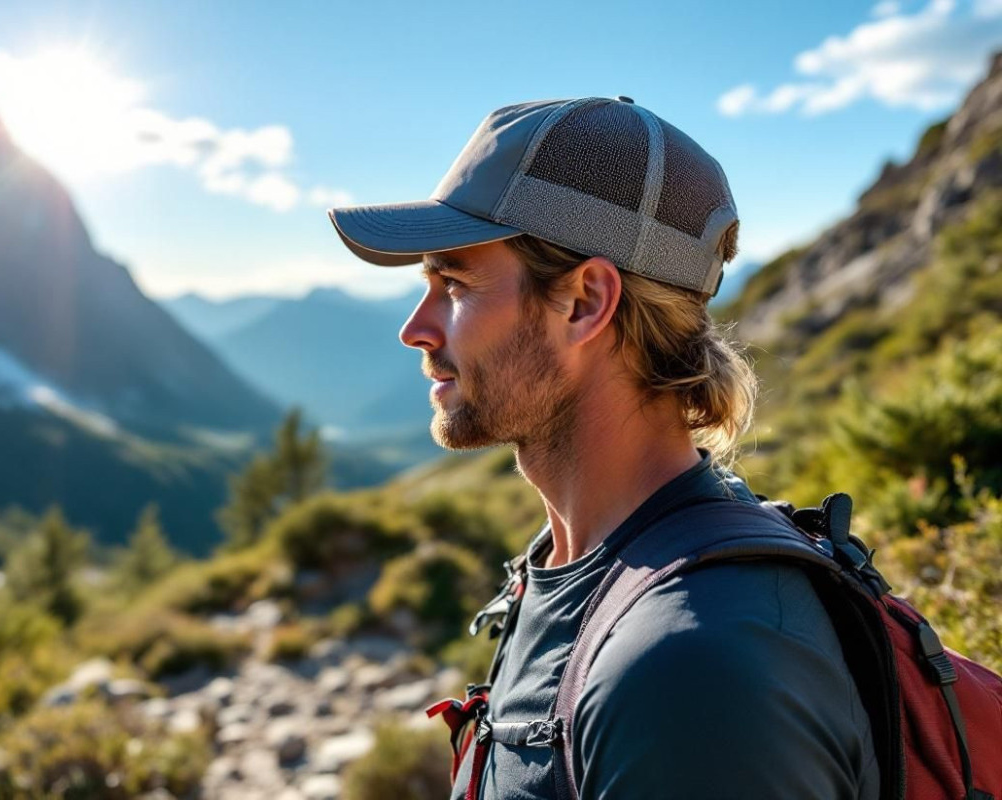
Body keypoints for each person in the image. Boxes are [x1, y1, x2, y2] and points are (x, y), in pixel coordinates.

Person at [327, 97, 880, 799]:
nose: (415, 328)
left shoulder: (692, 672)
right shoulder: (574, 567)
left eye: (454, 283)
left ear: (586, 301)